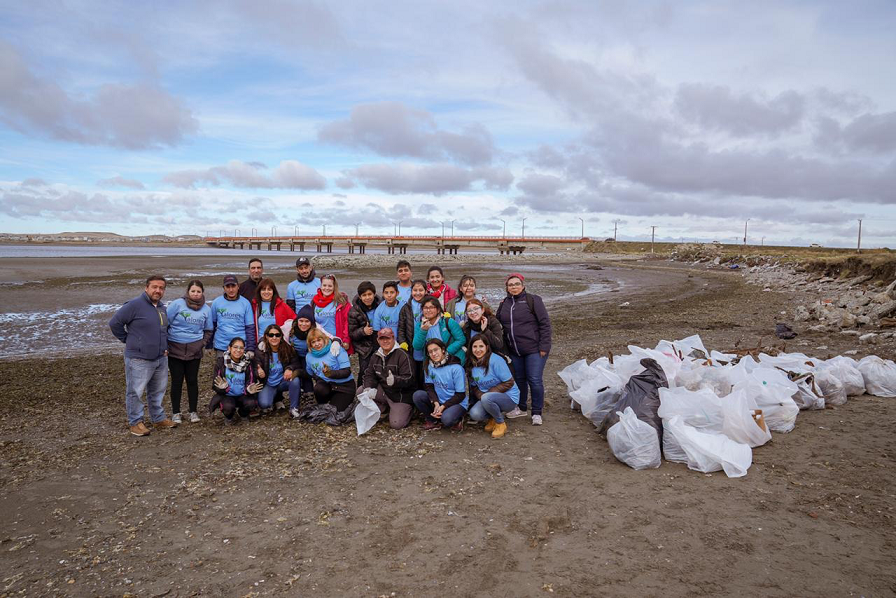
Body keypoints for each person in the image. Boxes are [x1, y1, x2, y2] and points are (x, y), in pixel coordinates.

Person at [108, 275, 178, 436]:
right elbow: (114, 324)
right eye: (154, 287)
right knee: (135, 391)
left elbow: (163, 330)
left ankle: (158, 418)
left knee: (158, 391)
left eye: (161, 288)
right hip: (138, 358)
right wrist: (129, 340)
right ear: (146, 288)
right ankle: (135, 422)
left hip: (160, 357)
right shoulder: (134, 305)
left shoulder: (161, 308)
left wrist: (165, 347)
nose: (158, 290)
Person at [495, 273, 552, 425]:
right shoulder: (504, 303)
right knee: (519, 379)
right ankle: (521, 407)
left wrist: (544, 346)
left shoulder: (533, 300)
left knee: (534, 379)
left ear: (523, 285)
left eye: (516, 284)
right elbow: (497, 322)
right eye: (510, 285)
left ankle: (537, 412)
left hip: (534, 349)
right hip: (515, 351)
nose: (513, 287)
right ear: (507, 287)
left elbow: (545, 324)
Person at [166, 279, 214, 424]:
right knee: (177, 381)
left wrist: (202, 343)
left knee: (192, 381)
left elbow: (208, 329)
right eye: (193, 291)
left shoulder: (206, 309)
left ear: (202, 293)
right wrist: (166, 343)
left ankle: (193, 411)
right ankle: (176, 413)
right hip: (175, 348)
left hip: (195, 349)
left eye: (198, 291)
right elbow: (165, 323)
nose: (195, 294)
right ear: (188, 292)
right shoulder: (176, 304)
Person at [466, 336, 520, 439]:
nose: (478, 350)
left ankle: (500, 423)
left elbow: (509, 382)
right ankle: (493, 417)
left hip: (508, 398)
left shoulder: (496, 360)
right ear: (471, 348)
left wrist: (487, 394)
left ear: (487, 347)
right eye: (474, 346)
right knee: (474, 414)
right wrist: (481, 395)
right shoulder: (470, 363)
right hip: (488, 398)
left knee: (487, 398)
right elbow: (474, 387)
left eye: (481, 346)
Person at [361, 328, 415, 429]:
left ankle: (409, 410)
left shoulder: (403, 355)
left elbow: (410, 378)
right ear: (378, 340)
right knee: (361, 390)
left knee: (396, 424)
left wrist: (395, 380)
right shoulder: (375, 355)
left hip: (399, 396)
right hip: (384, 391)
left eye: (388, 338)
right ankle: (383, 408)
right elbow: (369, 375)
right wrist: (368, 387)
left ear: (393, 338)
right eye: (382, 339)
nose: (385, 341)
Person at [412, 339, 468, 431]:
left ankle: (458, 419)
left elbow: (460, 395)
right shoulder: (429, 366)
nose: (433, 354)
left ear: (442, 349)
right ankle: (433, 421)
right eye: (430, 352)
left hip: (457, 402)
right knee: (418, 395)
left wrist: (443, 406)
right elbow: (429, 387)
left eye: (436, 350)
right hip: (440, 400)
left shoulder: (456, 368)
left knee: (446, 420)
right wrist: (436, 403)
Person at [211, 337, 263, 425]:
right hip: (227, 395)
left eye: (241, 348)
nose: (238, 350)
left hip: (243, 394)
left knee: (251, 403)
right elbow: (215, 383)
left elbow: (250, 380)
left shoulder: (248, 363)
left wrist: (249, 389)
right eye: (235, 347)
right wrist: (223, 388)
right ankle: (229, 416)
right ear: (229, 348)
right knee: (228, 407)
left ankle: (243, 414)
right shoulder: (221, 363)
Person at [254, 324, 301, 415]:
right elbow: (255, 366)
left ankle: (294, 408)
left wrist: (290, 368)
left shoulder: (288, 348)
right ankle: (276, 398)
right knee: (264, 404)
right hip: (268, 383)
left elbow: (296, 363)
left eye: (277, 335)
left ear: (281, 336)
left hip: (282, 381)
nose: (274, 337)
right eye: (271, 335)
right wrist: (258, 372)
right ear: (266, 337)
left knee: (295, 379)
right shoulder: (260, 351)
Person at [305, 328, 356, 411]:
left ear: (324, 339)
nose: (317, 344)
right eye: (313, 342)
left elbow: (347, 372)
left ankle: (341, 400)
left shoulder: (336, 349)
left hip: (344, 386)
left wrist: (330, 373)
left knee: (334, 411)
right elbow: (310, 373)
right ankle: (323, 403)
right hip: (328, 385)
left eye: (319, 340)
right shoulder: (309, 356)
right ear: (310, 344)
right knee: (319, 389)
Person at [412, 296, 466, 365]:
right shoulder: (419, 325)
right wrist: (423, 331)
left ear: (438, 310)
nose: (428, 310)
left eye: (431, 307)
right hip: (431, 364)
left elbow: (461, 339)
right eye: (425, 308)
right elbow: (417, 346)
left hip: (452, 361)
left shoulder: (448, 322)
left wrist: (445, 353)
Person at [211, 275, 256, 355]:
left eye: (233, 286)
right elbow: (212, 326)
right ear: (224, 288)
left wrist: (251, 348)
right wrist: (209, 345)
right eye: (228, 286)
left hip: (240, 347)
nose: (231, 290)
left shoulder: (245, 303)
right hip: (221, 346)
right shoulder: (216, 302)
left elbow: (250, 328)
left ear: (238, 286)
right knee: (221, 367)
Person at [287, 304, 321, 402]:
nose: (303, 324)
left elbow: (327, 336)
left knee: (307, 372)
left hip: (308, 354)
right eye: (301, 321)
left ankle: (309, 391)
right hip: (295, 355)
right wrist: (263, 341)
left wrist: (337, 341)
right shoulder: (290, 328)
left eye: (307, 321)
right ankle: (298, 391)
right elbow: (276, 331)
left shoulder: (316, 329)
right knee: (297, 371)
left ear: (311, 322)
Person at [398, 279, 428, 388]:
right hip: (410, 347)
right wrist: (402, 342)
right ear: (411, 291)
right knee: (413, 374)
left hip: (426, 346)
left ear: (426, 291)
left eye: (421, 290)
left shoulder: (430, 306)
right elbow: (401, 328)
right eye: (415, 290)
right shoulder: (405, 308)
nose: (418, 293)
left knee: (425, 374)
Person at [348, 281, 381, 380]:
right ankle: (361, 392)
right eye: (364, 295)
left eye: (370, 294)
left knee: (380, 370)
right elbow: (352, 333)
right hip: (364, 348)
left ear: (374, 294)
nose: (367, 297)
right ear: (359, 296)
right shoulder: (354, 311)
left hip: (380, 344)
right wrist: (363, 331)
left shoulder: (381, 305)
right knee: (364, 371)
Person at [252, 278, 296, 349]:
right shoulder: (254, 306)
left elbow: (294, 320)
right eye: (263, 289)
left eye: (269, 289)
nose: (266, 292)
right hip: (260, 343)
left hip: (278, 343)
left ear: (273, 291)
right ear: (259, 291)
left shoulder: (281, 305)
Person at [311, 274, 352, 351]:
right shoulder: (314, 302)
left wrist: (346, 340)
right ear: (320, 286)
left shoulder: (341, 301)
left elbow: (347, 322)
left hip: (338, 341)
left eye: (330, 286)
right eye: (324, 285)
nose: (326, 288)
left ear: (334, 287)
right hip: (320, 342)